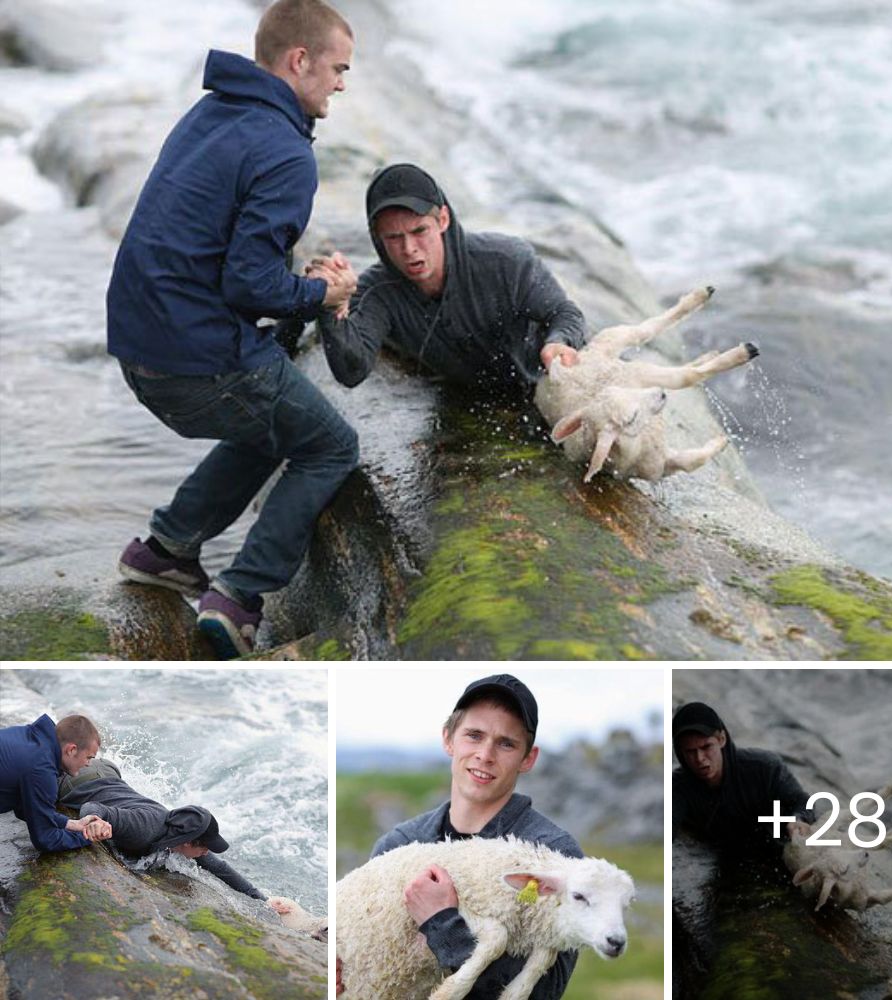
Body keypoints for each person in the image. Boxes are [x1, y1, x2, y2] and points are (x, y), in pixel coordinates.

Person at [109, 0, 361, 659]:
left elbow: (222, 253)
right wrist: (322, 290)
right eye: (337, 67)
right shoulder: (285, 150)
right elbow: (248, 284)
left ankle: (165, 550)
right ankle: (241, 596)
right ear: (298, 59)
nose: (341, 83)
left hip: (140, 347)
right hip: (196, 357)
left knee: (274, 418)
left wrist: (293, 280)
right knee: (330, 444)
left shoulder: (212, 113)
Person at [361, 673, 582, 999]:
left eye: (506, 743)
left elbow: (543, 992)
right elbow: (367, 957)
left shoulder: (555, 858)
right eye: (474, 735)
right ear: (448, 739)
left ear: (528, 758)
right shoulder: (397, 845)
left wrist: (443, 924)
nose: (485, 754)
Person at [317, 163, 587, 396]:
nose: (409, 248)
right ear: (377, 237)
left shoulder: (506, 260)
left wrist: (559, 342)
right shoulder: (376, 292)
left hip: (544, 382)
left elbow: (565, 312)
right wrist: (331, 307)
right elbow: (351, 371)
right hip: (466, 396)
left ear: (443, 219)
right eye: (394, 237)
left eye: (420, 230)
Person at [58, 759, 274, 903]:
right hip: (76, 779)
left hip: (108, 770)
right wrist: (94, 822)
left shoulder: (179, 833)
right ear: (189, 842)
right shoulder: (144, 827)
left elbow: (221, 868)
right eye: (206, 847)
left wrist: (261, 899)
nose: (207, 853)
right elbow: (91, 808)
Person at [672, 701, 813, 852]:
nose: (700, 758)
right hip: (722, 857)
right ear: (680, 752)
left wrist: (799, 820)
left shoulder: (764, 767)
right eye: (690, 751)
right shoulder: (676, 786)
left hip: (779, 849)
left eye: (706, 747)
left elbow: (802, 801)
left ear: (722, 739)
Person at [0, 714, 113, 852]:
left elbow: (25, 806)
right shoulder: (42, 769)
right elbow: (46, 839)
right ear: (71, 750)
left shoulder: (32, 739)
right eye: (88, 757)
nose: (89, 764)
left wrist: (71, 823)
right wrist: (87, 836)